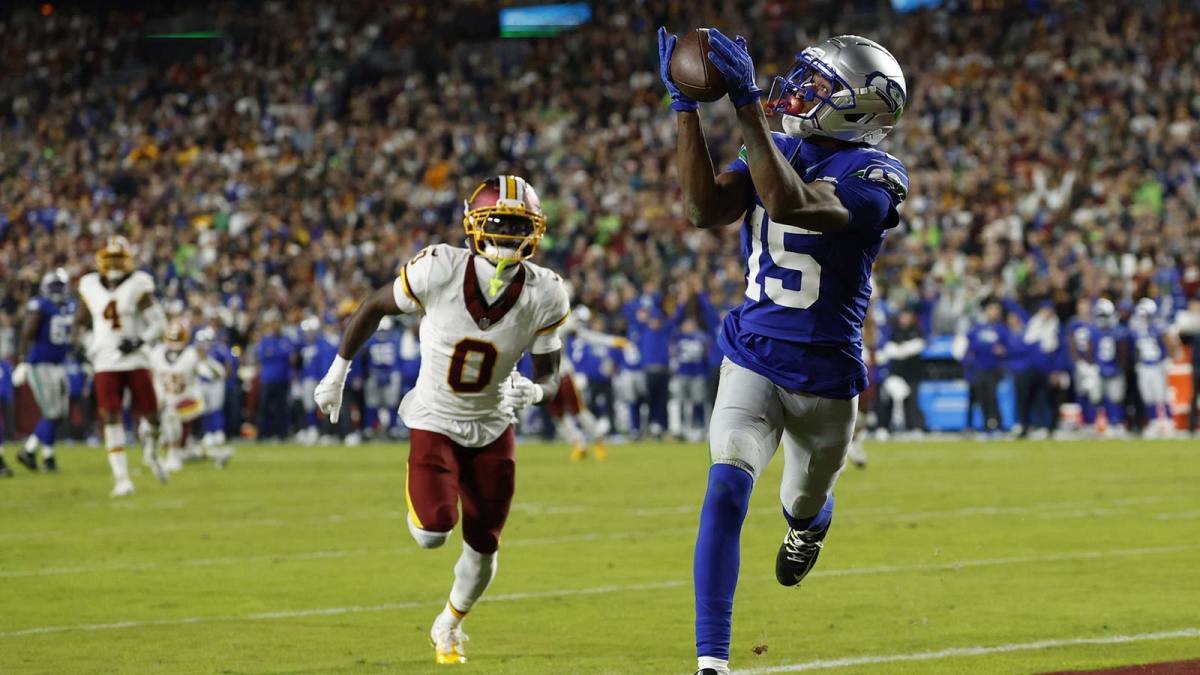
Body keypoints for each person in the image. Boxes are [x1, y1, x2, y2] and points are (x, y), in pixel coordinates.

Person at [660, 29, 909, 675]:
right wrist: (685, 109)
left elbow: (790, 201)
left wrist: (745, 104)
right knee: (725, 489)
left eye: (822, 85)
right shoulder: (782, 145)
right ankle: (712, 660)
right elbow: (704, 207)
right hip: (752, 357)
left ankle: (809, 525)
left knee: (801, 499)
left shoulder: (877, 175)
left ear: (860, 109)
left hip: (825, 381)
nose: (800, 90)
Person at [313, 175, 570, 665]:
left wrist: (537, 391)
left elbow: (550, 373)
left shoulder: (547, 292)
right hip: (435, 415)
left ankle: (449, 624)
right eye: (499, 222)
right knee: (431, 532)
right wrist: (337, 373)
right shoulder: (439, 268)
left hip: (493, 424)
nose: (508, 234)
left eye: (519, 225)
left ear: (535, 231)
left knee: (485, 547)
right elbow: (374, 306)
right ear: (474, 225)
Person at [75, 236, 168, 496]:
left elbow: (159, 324)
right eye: (111, 259)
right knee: (110, 416)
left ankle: (152, 453)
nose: (115, 264)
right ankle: (122, 478)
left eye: (119, 259)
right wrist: (83, 345)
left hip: (135, 359)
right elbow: (80, 323)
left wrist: (139, 340)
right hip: (105, 361)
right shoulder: (90, 285)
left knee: (152, 415)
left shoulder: (139, 284)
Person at [11, 268, 76, 472]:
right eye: (53, 286)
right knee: (51, 413)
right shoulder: (40, 304)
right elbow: (27, 332)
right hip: (40, 365)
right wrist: (23, 361)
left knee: (59, 414)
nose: (57, 290)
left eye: (59, 286)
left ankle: (35, 453)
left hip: (59, 364)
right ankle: (42, 455)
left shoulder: (69, 305)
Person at [1130, 298, 1181, 437]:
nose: (1143, 317)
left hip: (1158, 365)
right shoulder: (1137, 328)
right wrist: (1138, 362)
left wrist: (1168, 359)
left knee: (1161, 395)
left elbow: (1169, 344)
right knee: (1148, 396)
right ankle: (1153, 422)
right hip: (1144, 365)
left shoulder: (1159, 327)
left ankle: (1168, 422)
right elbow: (1136, 348)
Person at [964, 301, 1009, 433]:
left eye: (996, 310)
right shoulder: (978, 328)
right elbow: (971, 346)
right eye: (991, 310)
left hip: (994, 368)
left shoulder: (1002, 329)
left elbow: (1007, 347)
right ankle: (985, 424)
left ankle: (997, 424)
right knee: (981, 397)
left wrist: (1003, 350)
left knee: (992, 396)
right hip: (979, 368)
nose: (993, 313)